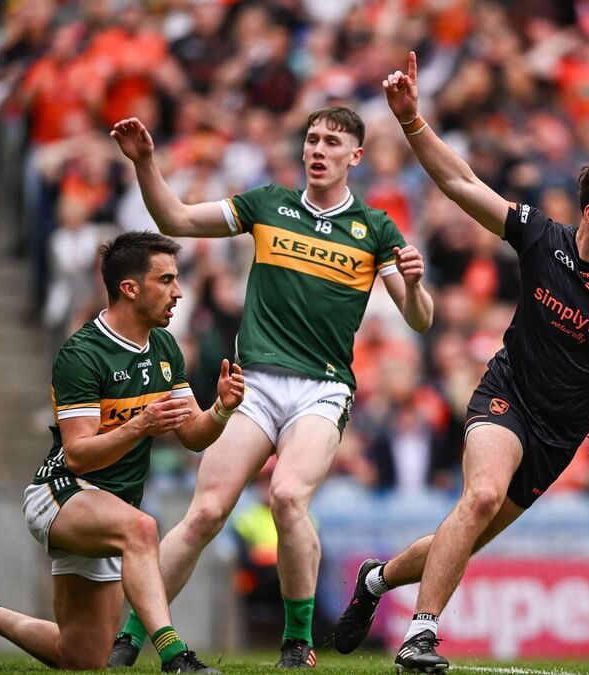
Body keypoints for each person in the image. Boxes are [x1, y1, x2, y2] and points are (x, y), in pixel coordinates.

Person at [328, 52, 589, 674]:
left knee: (466, 531)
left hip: (560, 434)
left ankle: (374, 580)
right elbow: (461, 183)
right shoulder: (541, 237)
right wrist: (412, 121)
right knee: (480, 496)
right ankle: (421, 634)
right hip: (506, 397)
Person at [108, 106, 434, 669]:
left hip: (321, 389)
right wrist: (145, 163)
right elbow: (174, 217)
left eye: (332, 142)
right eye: (312, 139)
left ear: (356, 156)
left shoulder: (376, 228)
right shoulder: (268, 205)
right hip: (254, 383)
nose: (318, 149)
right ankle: (131, 638)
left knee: (286, 497)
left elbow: (419, 320)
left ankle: (297, 643)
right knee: (206, 512)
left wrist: (414, 285)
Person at [0, 232, 245, 673]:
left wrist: (221, 409)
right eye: (166, 280)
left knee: (81, 657)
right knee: (142, 528)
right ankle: (176, 657)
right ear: (129, 288)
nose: (178, 291)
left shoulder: (165, 347)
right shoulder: (82, 354)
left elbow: (193, 435)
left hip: (111, 509)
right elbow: (77, 455)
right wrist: (140, 426)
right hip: (62, 493)